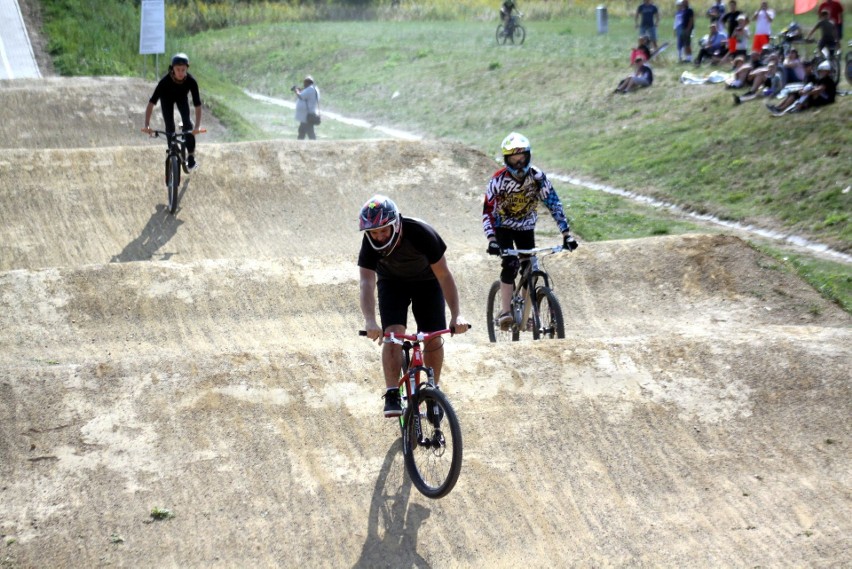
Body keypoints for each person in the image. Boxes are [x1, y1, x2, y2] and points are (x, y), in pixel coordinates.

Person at [358, 195, 470, 417]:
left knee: (433, 336)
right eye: (374, 232)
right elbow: (366, 282)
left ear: (396, 224)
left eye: (384, 230)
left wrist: (457, 315)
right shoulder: (370, 245)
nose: (379, 237)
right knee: (393, 335)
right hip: (392, 283)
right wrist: (370, 321)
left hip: (427, 283)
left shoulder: (421, 233)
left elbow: (445, 276)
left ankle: (431, 390)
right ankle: (392, 392)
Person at [482, 133, 579, 330]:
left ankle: (526, 315)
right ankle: (506, 311)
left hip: (526, 227)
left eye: (522, 158)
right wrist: (492, 239)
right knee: (510, 264)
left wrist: (566, 234)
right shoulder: (498, 180)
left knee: (530, 266)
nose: (518, 164)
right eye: (513, 159)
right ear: (506, 160)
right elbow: (488, 211)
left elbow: (554, 203)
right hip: (503, 227)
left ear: (528, 157)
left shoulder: (537, 177)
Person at [142, 53, 202, 171]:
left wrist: (197, 126)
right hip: (166, 100)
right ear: (172, 69)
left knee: (188, 125)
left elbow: (197, 105)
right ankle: (172, 152)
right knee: (170, 126)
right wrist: (147, 125)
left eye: (183, 70)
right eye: (177, 69)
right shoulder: (164, 82)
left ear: (187, 69)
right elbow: (151, 103)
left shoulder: (191, 81)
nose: (180, 72)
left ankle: (191, 157)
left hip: (182, 99)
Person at [767, 60, 836, 115]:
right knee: (794, 94)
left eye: (824, 71)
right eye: (821, 71)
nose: (822, 72)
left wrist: (805, 92)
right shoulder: (821, 79)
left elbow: (819, 90)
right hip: (818, 98)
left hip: (824, 100)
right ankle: (780, 107)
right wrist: (804, 91)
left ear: (828, 72)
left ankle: (787, 109)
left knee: (804, 93)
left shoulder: (827, 80)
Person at [293, 75, 320, 141]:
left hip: (307, 114)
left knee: (309, 131)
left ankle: (313, 144)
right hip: (307, 114)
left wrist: (296, 91)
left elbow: (301, 96)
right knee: (303, 130)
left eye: (304, 82)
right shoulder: (312, 89)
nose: (304, 84)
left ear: (307, 82)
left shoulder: (310, 89)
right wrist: (301, 90)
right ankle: (300, 142)